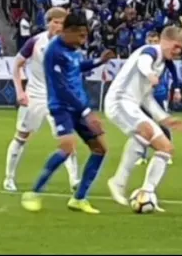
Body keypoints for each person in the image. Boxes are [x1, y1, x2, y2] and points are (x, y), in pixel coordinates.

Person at [20, 13, 115, 214]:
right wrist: (88, 112)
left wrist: (99, 61)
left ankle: (79, 198)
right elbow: (62, 88)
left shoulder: (74, 49)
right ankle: (34, 193)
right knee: (67, 147)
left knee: (100, 149)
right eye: (80, 36)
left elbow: (77, 67)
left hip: (79, 105)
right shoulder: (54, 51)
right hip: (62, 107)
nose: (83, 40)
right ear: (68, 31)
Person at [104, 26, 182, 210]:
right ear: (164, 41)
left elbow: (146, 98)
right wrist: (149, 73)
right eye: (175, 47)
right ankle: (119, 182)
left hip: (134, 105)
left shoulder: (163, 65)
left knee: (166, 148)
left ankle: (147, 192)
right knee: (146, 131)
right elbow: (143, 61)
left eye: (180, 49)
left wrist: (164, 119)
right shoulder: (151, 52)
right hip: (119, 102)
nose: (178, 52)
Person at [5, 8, 79, 192]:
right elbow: (17, 64)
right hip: (35, 96)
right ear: (49, 23)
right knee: (21, 136)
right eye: (56, 22)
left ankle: (75, 180)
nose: (59, 26)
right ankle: (9, 178)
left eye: (63, 23)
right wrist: (19, 91)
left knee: (67, 138)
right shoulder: (35, 42)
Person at [136, 32, 182, 166]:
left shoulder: (163, 57)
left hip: (159, 94)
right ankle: (142, 155)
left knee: (162, 124)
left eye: (155, 40)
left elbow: (173, 72)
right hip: (142, 95)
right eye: (150, 40)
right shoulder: (142, 55)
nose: (152, 43)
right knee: (142, 125)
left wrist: (177, 89)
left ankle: (167, 151)